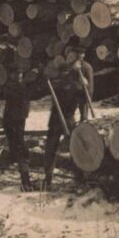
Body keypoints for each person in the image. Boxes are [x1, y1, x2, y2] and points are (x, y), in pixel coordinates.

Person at [43, 50, 93, 191]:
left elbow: (85, 96)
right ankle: (49, 178)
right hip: (56, 120)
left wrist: (85, 85)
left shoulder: (73, 83)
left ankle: (79, 177)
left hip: (67, 119)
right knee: (52, 148)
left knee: (73, 148)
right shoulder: (60, 82)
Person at [0, 70, 34, 192]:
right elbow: (19, 93)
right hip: (11, 121)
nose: (19, 77)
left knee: (16, 147)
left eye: (20, 74)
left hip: (20, 119)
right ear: (11, 75)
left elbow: (29, 94)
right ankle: (25, 181)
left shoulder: (21, 86)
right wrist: (27, 81)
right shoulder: (10, 86)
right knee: (20, 149)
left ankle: (7, 161)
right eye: (16, 74)